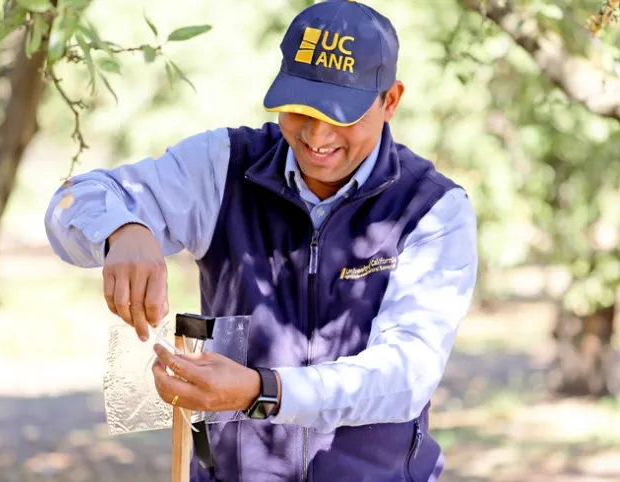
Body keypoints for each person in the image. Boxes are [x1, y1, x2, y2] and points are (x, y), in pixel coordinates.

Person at [44, 1, 478, 480]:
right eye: (302, 110)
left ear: (390, 100)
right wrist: (122, 231)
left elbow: (405, 375)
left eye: (344, 115)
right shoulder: (224, 165)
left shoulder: (432, 208)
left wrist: (261, 390)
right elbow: (71, 202)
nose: (318, 136)